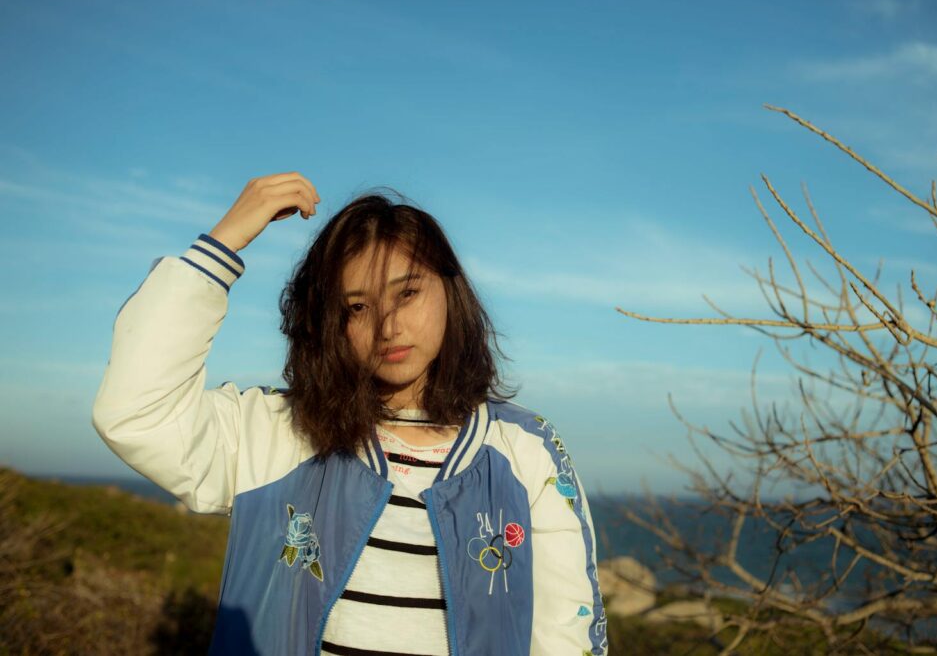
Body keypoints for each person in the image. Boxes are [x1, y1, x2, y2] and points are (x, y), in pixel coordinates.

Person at [91, 172, 608, 656]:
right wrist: (221, 244)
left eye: (407, 292)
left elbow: (566, 635)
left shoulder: (524, 449)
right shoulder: (275, 432)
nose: (387, 326)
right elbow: (138, 413)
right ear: (327, 323)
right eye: (357, 307)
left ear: (450, 291)